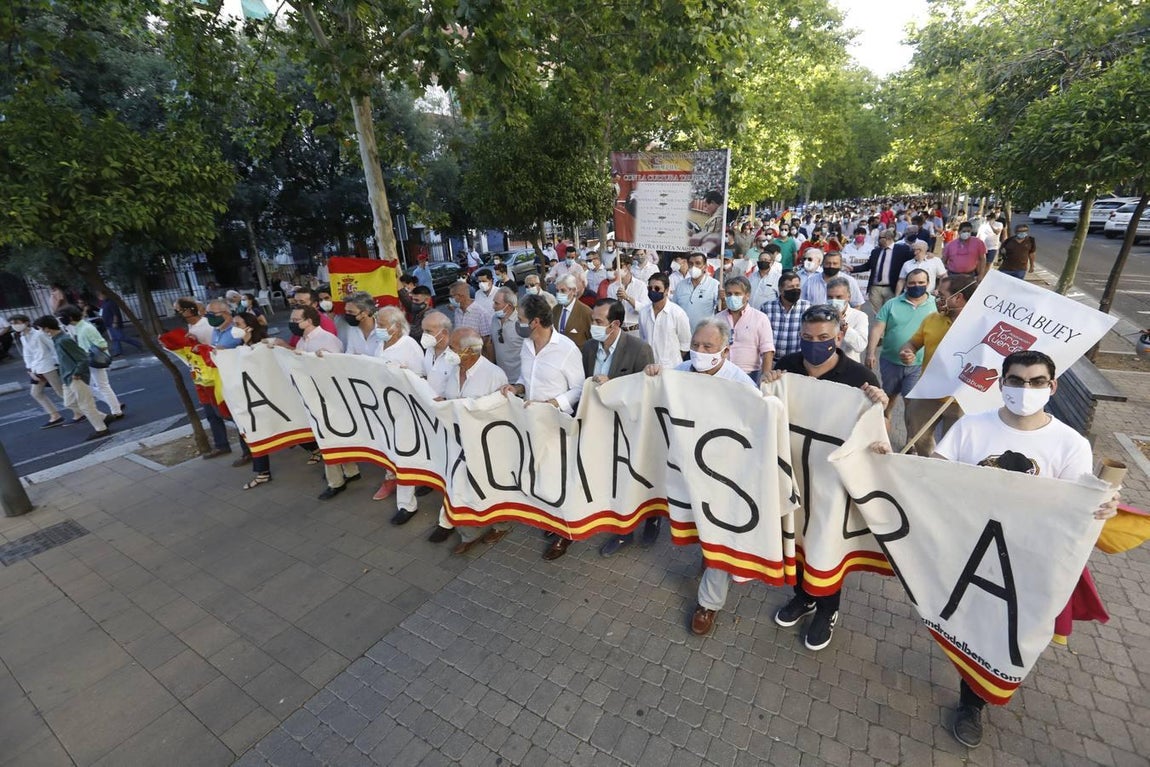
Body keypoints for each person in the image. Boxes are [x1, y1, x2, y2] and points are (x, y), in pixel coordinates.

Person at [931, 350, 1119, 748]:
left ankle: (972, 702)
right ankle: (967, 677)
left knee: (998, 631)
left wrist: (1102, 505)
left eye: (1036, 382)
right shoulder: (971, 427)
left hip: (1022, 559)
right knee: (961, 618)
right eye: (1016, 380)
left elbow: (1076, 505)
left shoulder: (1070, 444)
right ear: (1002, 384)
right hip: (965, 547)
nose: (1025, 389)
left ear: (1052, 387)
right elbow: (934, 473)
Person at [762, 305, 887, 648]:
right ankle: (803, 597)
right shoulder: (787, 367)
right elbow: (764, 412)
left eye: (823, 338)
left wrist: (879, 405)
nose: (814, 345)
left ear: (840, 337)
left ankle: (827, 609)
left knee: (826, 545)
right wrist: (767, 384)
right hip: (793, 476)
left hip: (832, 484)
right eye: (807, 338)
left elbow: (879, 439)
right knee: (795, 538)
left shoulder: (860, 379)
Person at [642, 318, 757, 636]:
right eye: (695, 345)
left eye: (708, 347)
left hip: (723, 476)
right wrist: (653, 377)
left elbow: (757, 426)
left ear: (725, 350)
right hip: (685, 469)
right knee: (695, 524)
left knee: (719, 533)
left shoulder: (741, 384)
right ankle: (707, 555)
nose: (700, 351)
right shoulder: (678, 373)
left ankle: (708, 604)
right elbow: (655, 402)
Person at [499, 294, 584, 560]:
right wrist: (517, 387)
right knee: (542, 475)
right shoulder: (526, 345)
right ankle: (552, 519)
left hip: (557, 423)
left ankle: (566, 533)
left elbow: (580, 387)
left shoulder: (567, 349)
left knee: (561, 478)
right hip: (531, 420)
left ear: (536, 321)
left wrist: (553, 403)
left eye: (521, 320)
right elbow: (527, 377)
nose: (517, 324)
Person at [583, 299, 656, 557]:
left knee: (636, 480)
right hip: (601, 426)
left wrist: (612, 382)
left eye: (598, 322)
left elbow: (646, 390)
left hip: (630, 427)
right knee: (613, 482)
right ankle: (623, 530)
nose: (592, 326)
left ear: (615, 324)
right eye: (592, 320)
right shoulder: (589, 347)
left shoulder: (639, 349)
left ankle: (651, 519)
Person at [428, 327, 512, 552]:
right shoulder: (453, 368)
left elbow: (500, 414)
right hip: (456, 441)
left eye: (453, 347)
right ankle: (467, 533)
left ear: (468, 351)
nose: (449, 351)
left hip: (484, 445)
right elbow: (450, 397)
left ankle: (501, 524)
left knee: (488, 487)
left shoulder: (494, 374)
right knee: (459, 484)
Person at [898, 276, 975, 455]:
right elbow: (912, 343)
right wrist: (907, 352)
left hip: (961, 400)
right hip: (928, 392)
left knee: (955, 447)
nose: (935, 298)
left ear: (958, 298)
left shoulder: (980, 324)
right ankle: (927, 461)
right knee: (917, 431)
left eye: (941, 295)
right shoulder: (932, 319)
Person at [866, 269, 937, 435]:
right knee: (888, 398)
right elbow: (877, 329)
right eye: (912, 283)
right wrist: (870, 353)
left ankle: (910, 440)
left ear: (928, 283)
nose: (916, 286)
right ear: (906, 284)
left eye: (921, 283)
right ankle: (883, 432)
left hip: (919, 364)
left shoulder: (935, 305)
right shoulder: (892, 304)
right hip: (890, 361)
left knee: (911, 404)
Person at [372, 306, 426, 520]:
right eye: (377, 324)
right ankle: (400, 480)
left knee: (404, 453)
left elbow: (420, 376)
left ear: (396, 326)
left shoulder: (409, 345)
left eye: (382, 325)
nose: (378, 329)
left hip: (405, 409)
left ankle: (406, 504)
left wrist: (402, 374)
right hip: (384, 407)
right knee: (392, 451)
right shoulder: (379, 343)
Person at [34, 316, 109, 440]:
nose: (40, 331)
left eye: (41, 328)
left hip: (76, 376)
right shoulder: (57, 339)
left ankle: (101, 429)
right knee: (69, 403)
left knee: (86, 405)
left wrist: (77, 373)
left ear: (47, 328)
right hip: (67, 377)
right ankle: (103, 417)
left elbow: (82, 358)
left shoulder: (64, 340)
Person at [57, 305, 124, 423]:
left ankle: (116, 410)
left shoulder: (86, 328)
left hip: (94, 361)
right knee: (93, 387)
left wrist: (88, 355)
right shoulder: (78, 327)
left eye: (63, 317)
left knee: (102, 386)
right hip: (89, 362)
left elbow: (102, 344)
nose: (61, 319)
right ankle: (115, 406)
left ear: (71, 317)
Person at [9, 314, 72, 428]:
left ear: (26, 322)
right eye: (12, 323)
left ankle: (80, 412)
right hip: (36, 368)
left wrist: (58, 363)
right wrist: (29, 369)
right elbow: (27, 354)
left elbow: (53, 347)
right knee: (36, 393)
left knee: (60, 391)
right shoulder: (23, 337)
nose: (15, 325)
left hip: (48, 366)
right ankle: (55, 415)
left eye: (17, 322)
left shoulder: (39, 334)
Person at [716, 276, 776, 383]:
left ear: (747, 295)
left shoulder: (760, 318)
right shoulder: (718, 318)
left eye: (737, 294)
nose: (732, 297)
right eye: (729, 294)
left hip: (749, 375)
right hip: (722, 373)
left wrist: (765, 378)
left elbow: (767, 351)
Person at [639, 273, 691, 369]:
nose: (653, 291)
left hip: (672, 369)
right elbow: (643, 339)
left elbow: (685, 344)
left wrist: (669, 360)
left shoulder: (678, 313)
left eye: (657, 288)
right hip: (649, 368)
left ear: (666, 291)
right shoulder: (643, 313)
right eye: (650, 288)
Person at [860, 231, 911, 313]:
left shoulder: (902, 250)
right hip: (875, 288)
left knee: (890, 312)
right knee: (876, 314)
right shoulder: (875, 252)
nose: (878, 240)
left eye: (880, 238)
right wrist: (852, 268)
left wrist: (929, 254)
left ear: (888, 238)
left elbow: (913, 258)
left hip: (891, 288)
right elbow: (867, 266)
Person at [763, 272, 811, 360]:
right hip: (771, 360)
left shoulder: (807, 308)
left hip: (796, 361)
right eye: (790, 287)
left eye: (797, 286)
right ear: (781, 290)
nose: (795, 289)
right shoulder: (767, 307)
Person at [672, 251, 720, 332]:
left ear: (705, 267)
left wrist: (723, 299)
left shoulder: (714, 285)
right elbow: (674, 309)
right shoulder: (680, 285)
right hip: (682, 334)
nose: (693, 267)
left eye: (698, 263)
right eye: (691, 264)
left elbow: (721, 310)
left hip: (705, 334)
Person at [484, 287, 524, 383]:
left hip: (519, 380)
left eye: (496, 303)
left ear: (509, 306)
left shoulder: (522, 322)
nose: (493, 306)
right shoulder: (494, 319)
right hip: (501, 378)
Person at [825, 276, 868, 363]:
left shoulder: (859, 317)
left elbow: (860, 346)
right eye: (830, 297)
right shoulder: (820, 314)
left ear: (849, 297)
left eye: (839, 297)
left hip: (848, 366)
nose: (834, 301)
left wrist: (843, 326)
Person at [800, 251, 866, 307]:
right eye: (828, 263)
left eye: (835, 263)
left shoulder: (850, 281)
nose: (831, 266)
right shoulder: (811, 281)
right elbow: (802, 303)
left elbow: (857, 305)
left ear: (840, 265)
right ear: (822, 264)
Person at [602, 256, 648, 334]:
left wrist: (627, 298)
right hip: (619, 330)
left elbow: (644, 309)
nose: (617, 269)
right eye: (615, 267)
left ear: (629, 267)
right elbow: (610, 311)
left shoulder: (640, 285)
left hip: (636, 329)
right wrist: (618, 301)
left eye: (620, 266)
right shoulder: (612, 287)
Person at [553, 274, 593, 348]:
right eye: (557, 291)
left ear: (574, 291)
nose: (559, 294)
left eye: (563, 290)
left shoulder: (586, 312)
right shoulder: (555, 310)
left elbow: (593, 340)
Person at [97, 291, 141, 356]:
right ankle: (118, 352)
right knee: (115, 338)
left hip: (113, 323)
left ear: (105, 295)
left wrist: (115, 322)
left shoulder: (111, 302)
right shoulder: (104, 303)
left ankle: (138, 344)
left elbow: (115, 314)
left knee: (121, 337)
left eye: (101, 295)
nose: (100, 297)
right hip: (108, 323)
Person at [341, 292, 383, 357]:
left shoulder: (383, 329)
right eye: (346, 311)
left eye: (351, 312)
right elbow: (349, 356)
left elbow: (384, 357)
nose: (347, 315)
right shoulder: (352, 330)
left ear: (365, 312)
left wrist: (360, 357)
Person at [748, 244, 783, 308]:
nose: (763, 261)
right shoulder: (751, 277)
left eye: (766, 260)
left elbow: (781, 298)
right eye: (761, 260)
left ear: (771, 262)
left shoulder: (778, 278)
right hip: (751, 313)